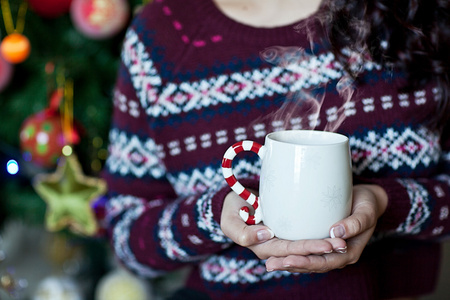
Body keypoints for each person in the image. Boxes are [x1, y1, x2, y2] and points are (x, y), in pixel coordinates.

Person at [101, 0, 450, 299]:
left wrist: (386, 203)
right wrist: (213, 216)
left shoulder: (412, 16)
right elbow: (127, 238)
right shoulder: (163, 36)